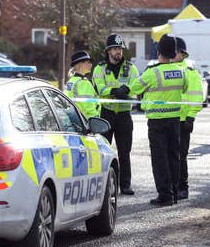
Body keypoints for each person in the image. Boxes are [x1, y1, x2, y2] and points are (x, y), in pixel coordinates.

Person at [122, 34, 187, 206]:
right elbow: (185, 87)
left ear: (158, 51)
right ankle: (173, 193)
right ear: (173, 52)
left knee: (160, 159)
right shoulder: (181, 71)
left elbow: (134, 87)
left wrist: (122, 90)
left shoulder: (153, 72)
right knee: (174, 157)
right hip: (174, 119)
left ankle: (164, 195)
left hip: (157, 121)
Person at [92, 34, 139, 195]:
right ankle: (102, 185)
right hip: (107, 114)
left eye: (119, 49)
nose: (118, 52)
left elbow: (136, 85)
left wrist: (125, 90)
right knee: (103, 152)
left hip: (124, 115)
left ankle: (125, 185)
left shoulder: (131, 68)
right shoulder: (100, 68)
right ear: (108, 51)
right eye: (115, 49)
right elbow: (99, 88)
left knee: (124, 152)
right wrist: (114, 91)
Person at [174, 37, 204, 200]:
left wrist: (191, 117)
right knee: (170, 155)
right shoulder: (168, 67)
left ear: (181, 53)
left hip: (183, 120)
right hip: (169, 117)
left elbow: (197, 96)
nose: (173, 54)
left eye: (175, 52)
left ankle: (183, 188)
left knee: (181, 156)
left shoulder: (190, 71)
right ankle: (173, 187)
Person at [65, 51, 100, 119]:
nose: (91, 65)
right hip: (87, 121)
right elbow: (89, 107)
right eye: (88, 62)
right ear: (80, 64)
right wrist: (96, 119)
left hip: (76, 120)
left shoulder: (71, 81)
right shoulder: (83, 82)